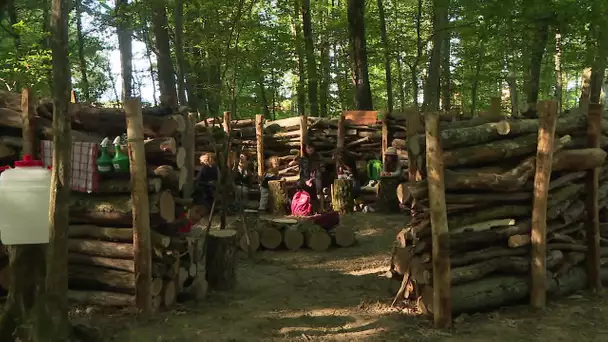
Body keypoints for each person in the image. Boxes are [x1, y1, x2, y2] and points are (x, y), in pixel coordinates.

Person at [298, 141, 324, 212]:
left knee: (318, 183)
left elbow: (322, 169)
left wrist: (312, 178)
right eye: (308, 148)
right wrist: (306, 180)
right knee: (299, 184)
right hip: (306, 180)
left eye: (312, 147)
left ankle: (321, 207)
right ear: (305, 149)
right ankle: (305, 207)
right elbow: (301, 173)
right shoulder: (302, 160)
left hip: (317, 177)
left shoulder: (318, 157)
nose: (310, 149)